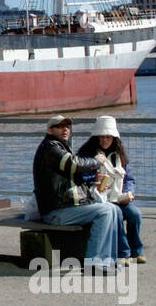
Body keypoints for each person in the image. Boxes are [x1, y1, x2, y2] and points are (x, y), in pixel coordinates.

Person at [31, 114, 119, 270]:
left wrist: (93, 182)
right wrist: (96, 161)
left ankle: (108, 260)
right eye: (60, 126)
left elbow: (71, 177)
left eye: (67, 126)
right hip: (55, 211)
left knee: (113, 209)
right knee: (104, 211)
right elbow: (73, 164)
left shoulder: (60, 146)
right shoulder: (50, 147)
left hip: (66, 207)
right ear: (49, 130)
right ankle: (93, 262)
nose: (65, 129)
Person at [78, 115, 145, 264]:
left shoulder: (119, 155)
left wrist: (129, 193)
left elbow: (129, 178)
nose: (104, 141)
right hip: (100, 199)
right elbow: (81, 177)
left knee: (135, 214)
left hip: (119, 197)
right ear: (96, 137)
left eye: (108, 137)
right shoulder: (86, 155)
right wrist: (94, 179)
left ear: (114, 138)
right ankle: (123, 253)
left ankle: (137, 251)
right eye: (101, 137)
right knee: (118, 215)